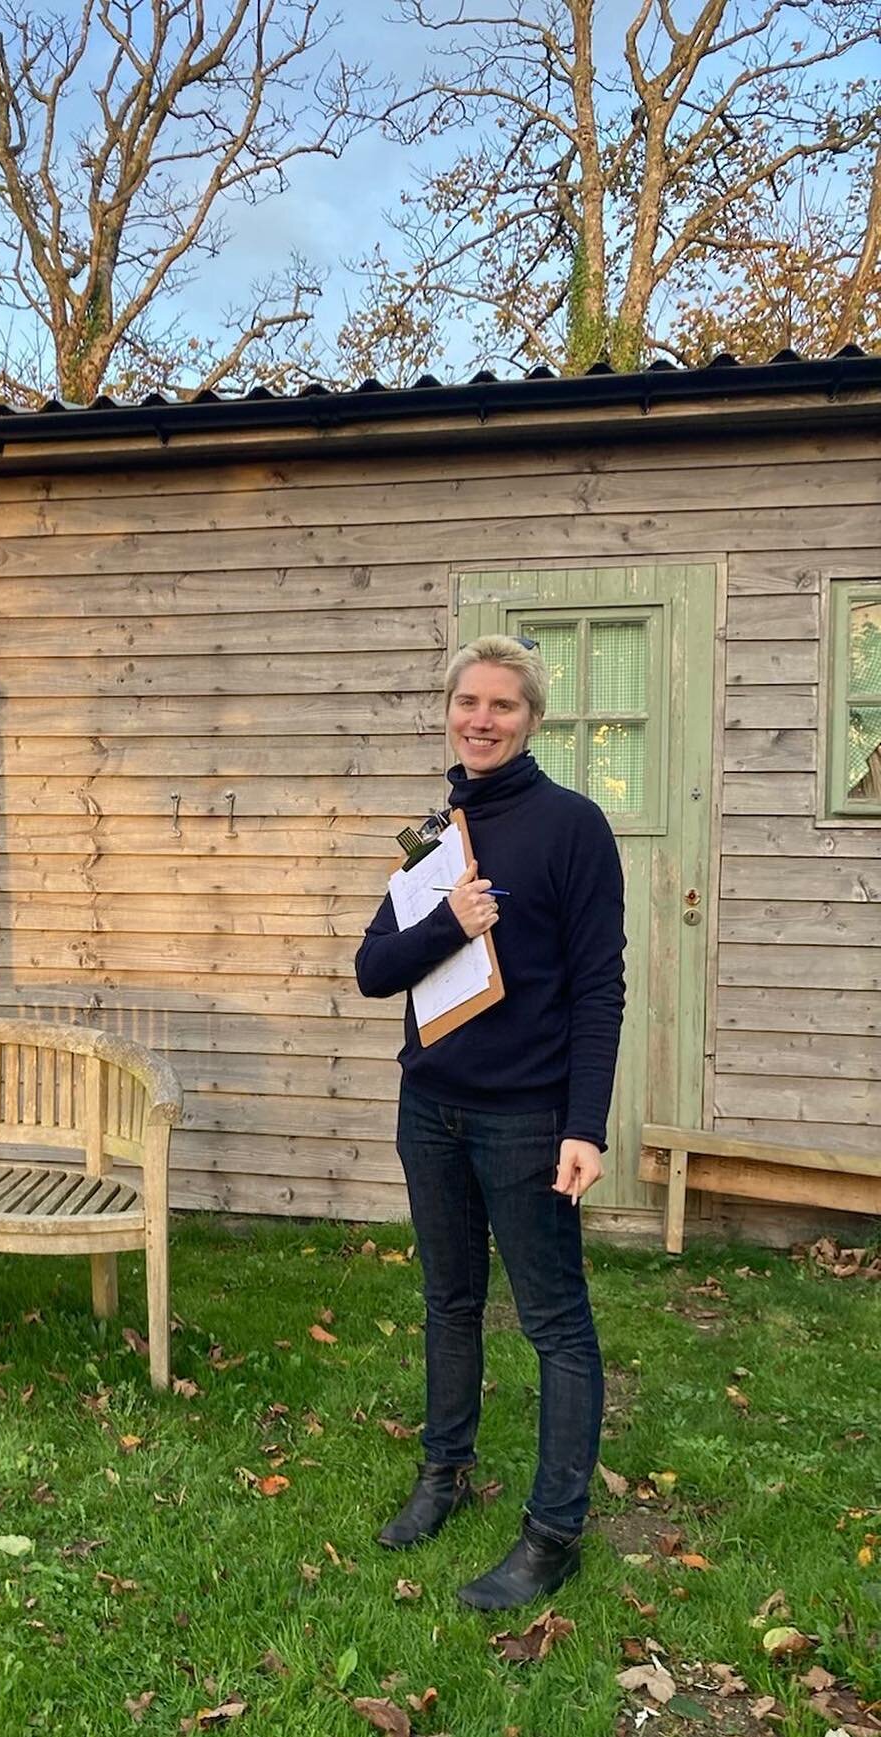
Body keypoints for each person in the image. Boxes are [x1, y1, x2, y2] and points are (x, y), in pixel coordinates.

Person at [355, 635, 625, 1611]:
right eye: (466, 701)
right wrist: (447, 922)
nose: (481, 718)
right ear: (448, 712)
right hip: (429, 1108)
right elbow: (373, 970)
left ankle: (554, 1534)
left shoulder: (573, 828)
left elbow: (601, 987)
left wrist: (583, 1124)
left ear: (532, 718)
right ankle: (445, 1475)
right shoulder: (436, 838)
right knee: (448, 1301)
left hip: (526, 1119)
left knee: (555, 1323)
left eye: (502, 705)